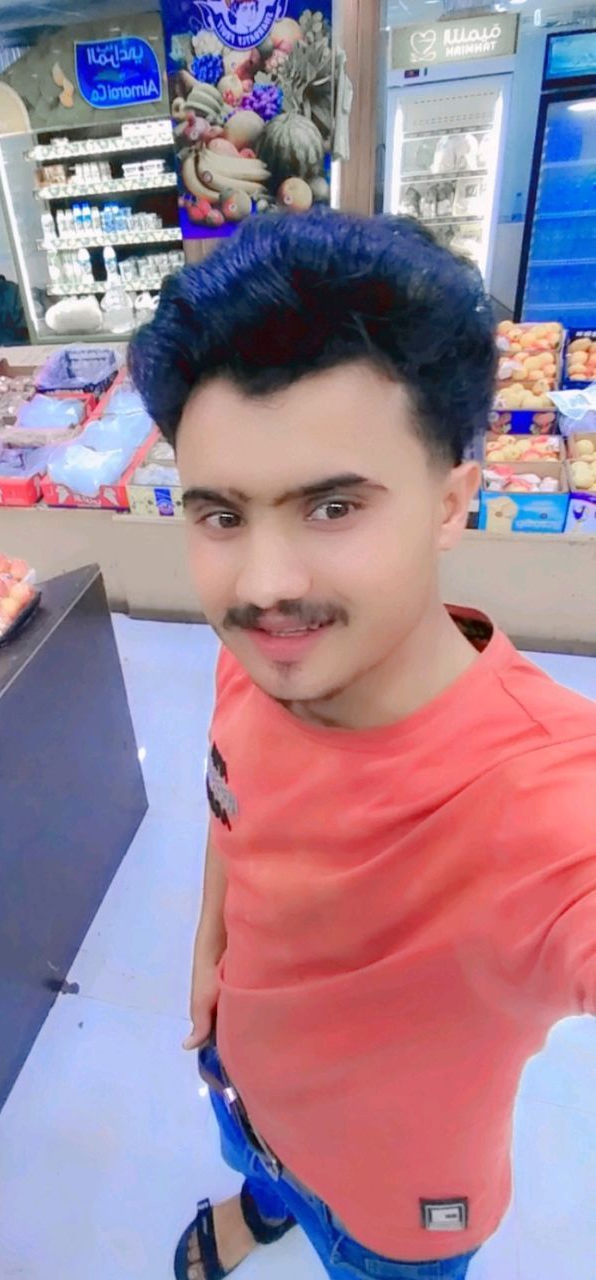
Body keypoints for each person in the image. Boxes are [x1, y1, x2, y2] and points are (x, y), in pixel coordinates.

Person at [128, 210, 596, 1280]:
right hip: (246, 1089)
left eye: (332, 506)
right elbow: (232, 803)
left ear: (452, 503)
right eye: (220, 516)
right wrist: (210, 948)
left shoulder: (543, 805)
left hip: (401, 1208)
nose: (263, 587)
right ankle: (264, 1201)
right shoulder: (255, 661)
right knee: (262, 1164)